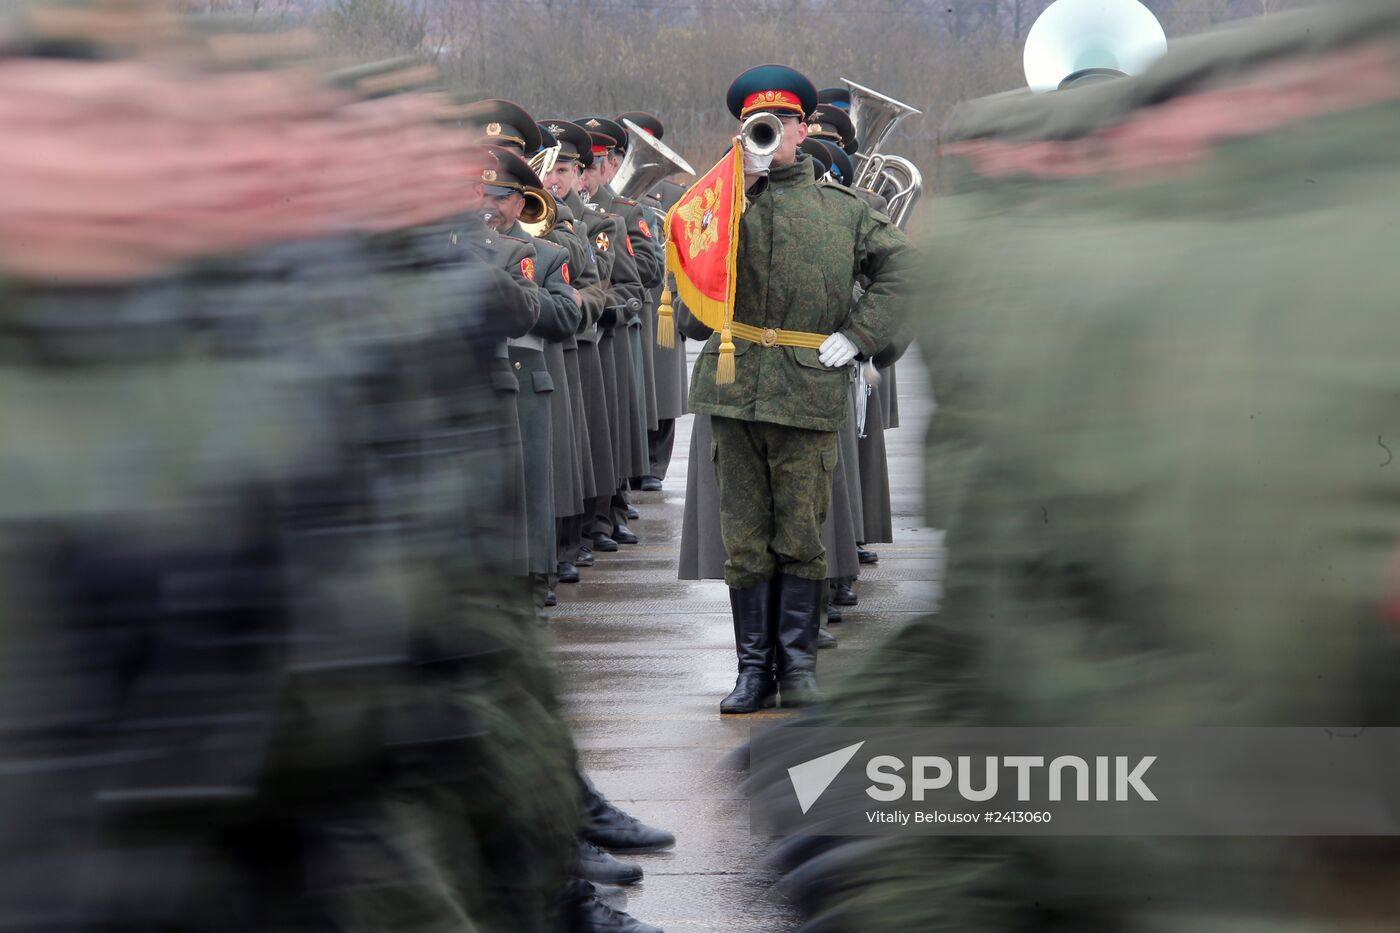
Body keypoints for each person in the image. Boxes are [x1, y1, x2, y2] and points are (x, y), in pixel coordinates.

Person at [687, 64, 912, 713]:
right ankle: (753, 670)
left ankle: (799, 666)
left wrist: (863, 333)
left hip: (807, 390)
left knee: (803, 534)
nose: (769, 134)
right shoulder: (719, 205)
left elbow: (906, 271)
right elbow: (694, 310)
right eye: (756, 124)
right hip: (735, 390)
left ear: (802, 129)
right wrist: (730, 205)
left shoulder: (843, 211)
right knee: (745, 537)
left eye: (781, 123)